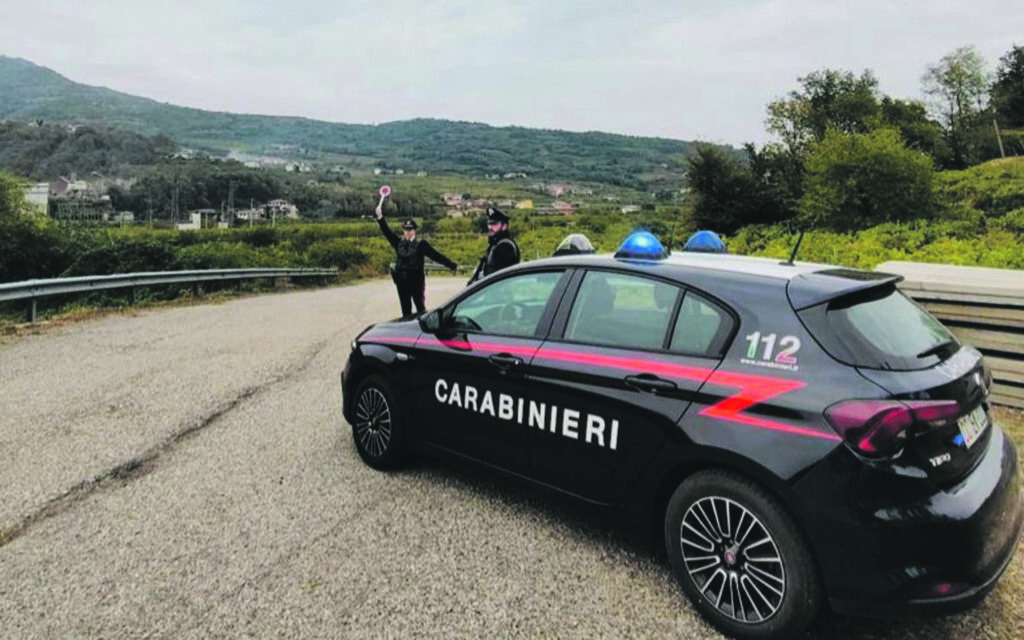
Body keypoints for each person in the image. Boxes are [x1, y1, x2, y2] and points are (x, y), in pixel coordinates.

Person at [375, 204, 458, 318]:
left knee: (420, 308)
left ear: (414, 231)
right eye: (406, 230)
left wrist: (452, 265)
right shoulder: (399, 244)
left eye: (410, 230)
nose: (408, 232)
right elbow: (387, 232)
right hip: (402, 281)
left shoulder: (421, 245)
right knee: (405, 310)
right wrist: (380, 218)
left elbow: (436, 256)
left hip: (416, 281)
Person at [468, 207, 520, 285]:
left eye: (494, 224)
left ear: (504, 226)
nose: (490, 227)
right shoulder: (496, 244)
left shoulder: (505, 247)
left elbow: (498, 277)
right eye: (489, 224)